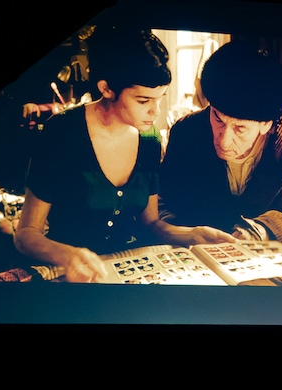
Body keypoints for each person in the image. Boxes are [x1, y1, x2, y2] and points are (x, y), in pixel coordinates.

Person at [13, 25, 172, 281]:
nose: (156, 112)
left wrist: (192, 234)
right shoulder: (62, 132)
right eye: (144, 101)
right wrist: (68, 255)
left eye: (160, 98)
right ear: (107, 88)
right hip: (70, 276)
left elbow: (150, 223)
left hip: (130, 274)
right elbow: (26, 235)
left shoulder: (150, 139)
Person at [153, 40, 282, 250]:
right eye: (218, 119)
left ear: (266, 125)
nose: (223, 140)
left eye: (240, 129)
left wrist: (267, 230)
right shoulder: (186, 134)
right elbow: (163, 201)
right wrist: (183, 233)